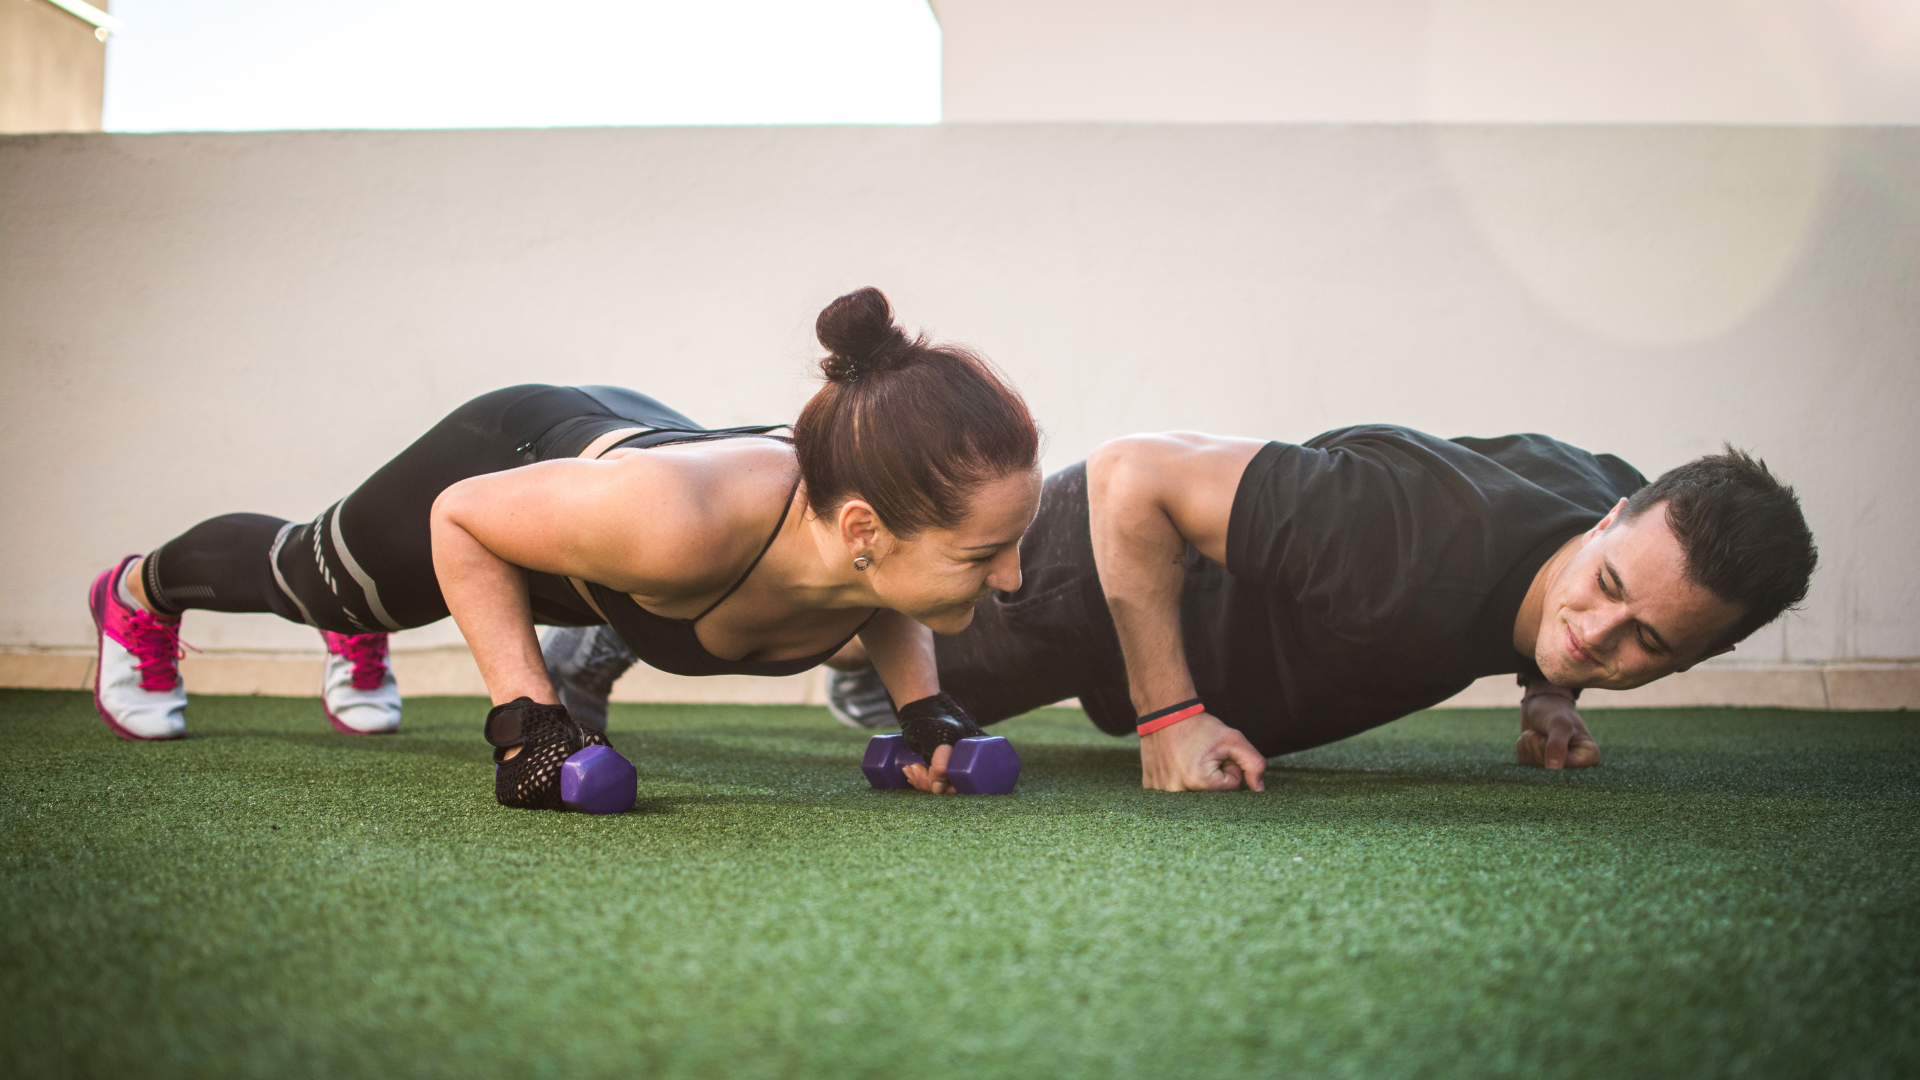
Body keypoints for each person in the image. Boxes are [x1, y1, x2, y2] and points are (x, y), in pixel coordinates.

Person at [86, 287, 1042, 808]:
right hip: (517, 454)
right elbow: (460, 515)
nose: (1013, 577)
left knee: (386, 591)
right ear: (864, 528)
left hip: (634, 473)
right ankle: (137, 592)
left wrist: (929, 718)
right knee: (320, 583)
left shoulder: (865, 536)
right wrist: (529, 725)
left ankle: (361, 629)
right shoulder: (674, 528)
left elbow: (886, 594)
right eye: (982, 554)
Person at [545, 425, 1817, 793]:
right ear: (1604, 533)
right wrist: (1172, 714)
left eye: (1651, 643)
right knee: (844, 653)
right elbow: (1142, 475)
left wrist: (1548, 687)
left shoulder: (1619, 507)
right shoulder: (1404, 543)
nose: (1605, 633)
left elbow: (1610, 601)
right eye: (1604, 595)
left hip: (1193, 611)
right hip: (1077, 575)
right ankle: (613, 617)